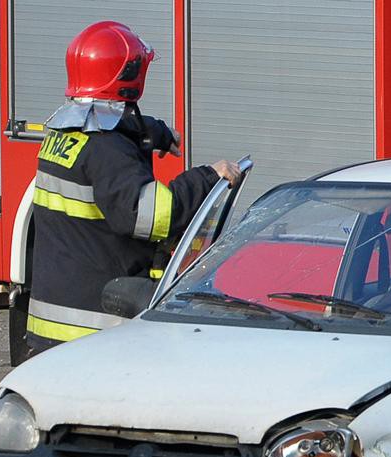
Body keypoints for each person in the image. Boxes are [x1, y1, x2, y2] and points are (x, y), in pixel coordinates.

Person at [25, 21, 240, 355]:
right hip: (92, 335)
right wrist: (208, 177)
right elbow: (153, 216)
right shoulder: (107, 149)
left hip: (53, 328)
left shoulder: (64, 133)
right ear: (128, 78)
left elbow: (112, 131)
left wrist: (155, 132)